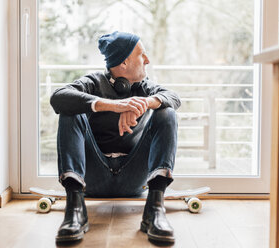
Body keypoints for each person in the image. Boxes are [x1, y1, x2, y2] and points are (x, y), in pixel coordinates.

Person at [50, 31, 181, 243]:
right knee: (69, 111)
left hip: (134, 177)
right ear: (124, 63)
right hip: (93, 177)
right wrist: (115, 106)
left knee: (167, 112)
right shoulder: (93, 82)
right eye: (142, 55)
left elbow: (173, 97)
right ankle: (74, 211)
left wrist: (141, 103)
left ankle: (155, 210)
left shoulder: (143, 86)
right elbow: (58, 97)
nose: (147, 60)